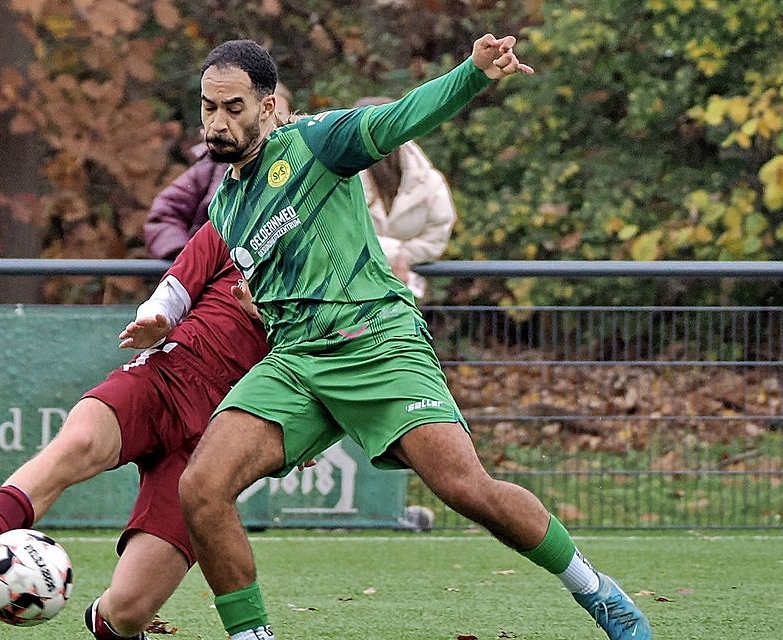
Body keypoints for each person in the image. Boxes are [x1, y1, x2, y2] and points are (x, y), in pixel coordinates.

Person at [177, 37, 652, 640]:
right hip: (296, 360)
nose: (218, 122)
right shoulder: (226, 204)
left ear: (270, 106)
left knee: (466, 489)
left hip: (376, 342)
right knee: (201, 488)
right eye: (208, 106)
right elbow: (270, 281)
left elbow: (402, 115)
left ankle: (598, 592)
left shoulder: (319, 142)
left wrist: (473, 74)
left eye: (234, 107)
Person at [0, 220, 269, 640]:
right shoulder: (238, 215)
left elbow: (321, 357)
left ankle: (106, 621)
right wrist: (156, 319)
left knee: (128, 611)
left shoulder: (336, 269)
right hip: (168, 373)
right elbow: (174, 287)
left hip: (220, 432)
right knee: (80, 442)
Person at [143, 84, 293, 260]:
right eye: (261, 114)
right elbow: (165, 214)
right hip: (217, 273)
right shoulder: (214, 166)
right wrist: (193, 262)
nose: (268, 122)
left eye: (277, 115)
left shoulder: (302, 162)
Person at [354, 96, 456, 299]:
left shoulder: (428, 180)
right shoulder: (340, 175)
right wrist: (393, 253)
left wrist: (403, 257)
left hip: (403, 290)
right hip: (349, 289)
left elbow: (437, 235)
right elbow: (336, 231)